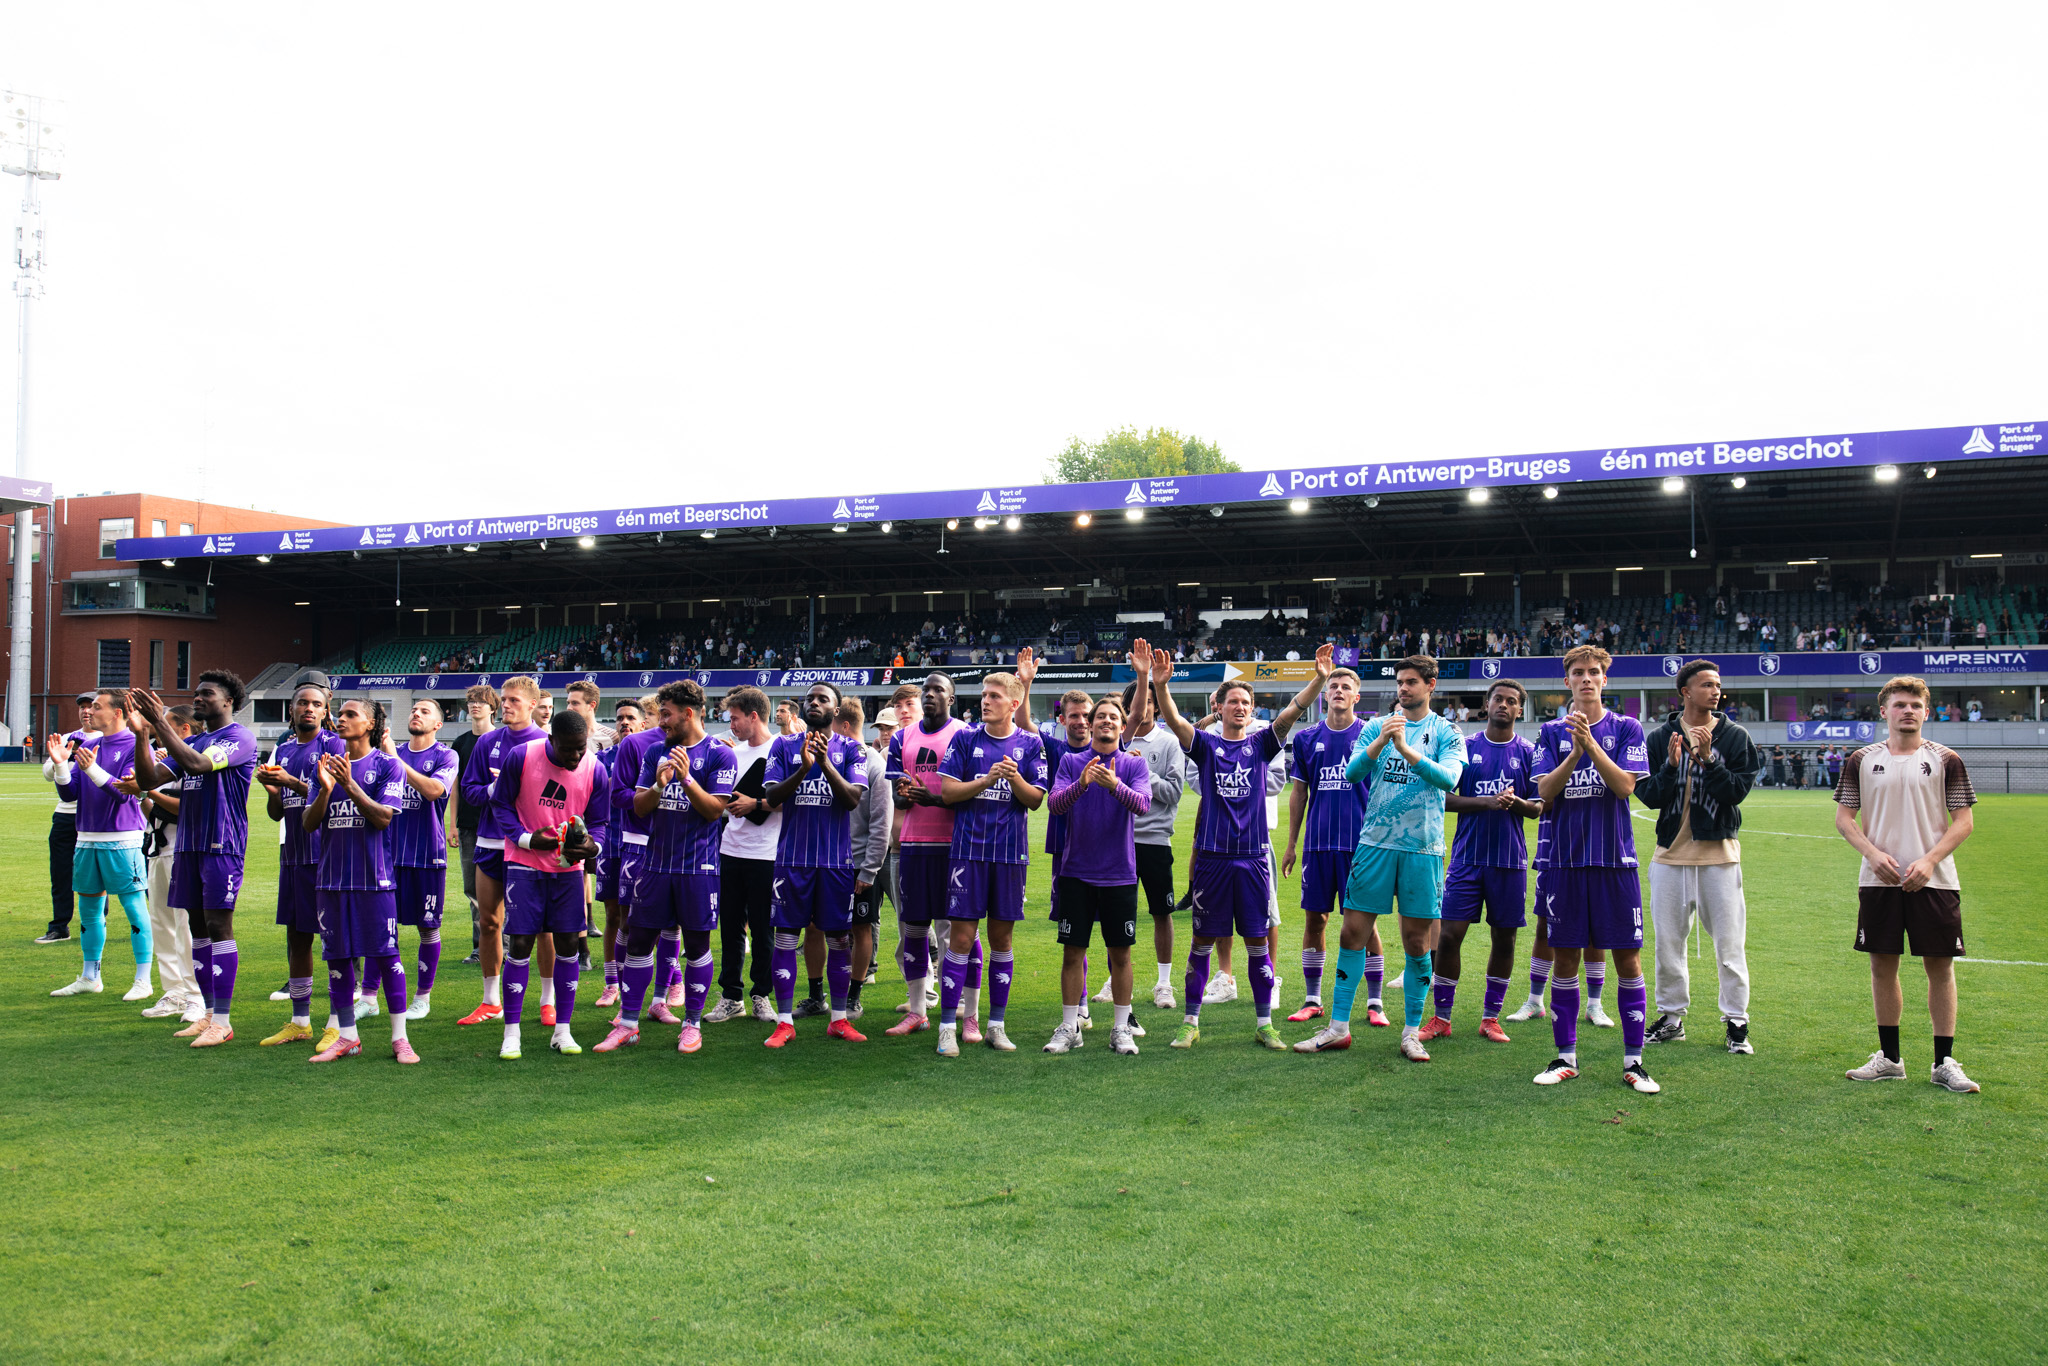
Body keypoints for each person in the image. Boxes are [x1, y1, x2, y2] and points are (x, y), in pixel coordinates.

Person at [1154, 645, 1332, 1050]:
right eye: (1232, 701)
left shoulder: (1261, 746)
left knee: (1257, 943)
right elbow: (1175, 722)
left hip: (1253, 860)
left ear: (1252, 711)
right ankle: (1190, 1022)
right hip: (1214, 860)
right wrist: (1161, 687)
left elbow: (1291, 713)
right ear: (1219, 707)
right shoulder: (1205, 746)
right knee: (1201, 942)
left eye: (1246, 702)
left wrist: (1319, 679)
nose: (1239, 707)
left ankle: (1265, 1024)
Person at [1294, 654, 1465, 1061]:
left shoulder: (1446, 731)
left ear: (1430, 685)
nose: (1403, 689)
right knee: (1351, 932)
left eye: (1411, 682)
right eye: (1400, 682)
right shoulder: (1376, 725)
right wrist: (1380, 741)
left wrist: (1405, 749)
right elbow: (1352, 774)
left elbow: (1449, 779)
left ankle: (1410, 1032)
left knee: (1417, 941)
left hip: (1422, 848)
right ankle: (1337, 1027)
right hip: (1373, 845)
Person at [1525, 646, 1659, 1093]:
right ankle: (1565, 1057)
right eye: (1578, 673)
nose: (1586, 679)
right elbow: (1544, 791)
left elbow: (1624, 787)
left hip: (1614, 863)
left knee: (1628, 958)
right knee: (1565, 957)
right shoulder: (1548, 732)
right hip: (1564, 863)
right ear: (1567, 681)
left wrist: (1592, 745)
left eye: (1594, 672)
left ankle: (1634, 1062)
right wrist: (1573, 752)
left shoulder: (1626, 727)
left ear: (1605, 680)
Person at [1836, 676, 1980, 1092]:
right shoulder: (1862, 759)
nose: (1908, 711)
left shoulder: (1945, 758)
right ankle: (1890, 1059)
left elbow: (1964, 823)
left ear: (1926, 711)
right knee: (1882, 966)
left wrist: (1930, 860)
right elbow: (1844, 819)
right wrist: (1872, 854)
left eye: (1915, 705)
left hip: (1934, 882)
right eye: (1899, 705)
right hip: (1879, 881)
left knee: (1940, 966)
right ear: (1884, 711)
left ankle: (1944, 1063)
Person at [599, 680, 735, 1055]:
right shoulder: (656, 752)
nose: (661, 721)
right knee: (639, 940)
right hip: (654, 866)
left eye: (667, 713)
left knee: (696, 946)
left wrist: (687, 778)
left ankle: (692, 1024)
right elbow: (639, 806)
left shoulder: (720, 755)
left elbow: (713, 811)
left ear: (687, 713)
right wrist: (659, 787)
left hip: (698, 870)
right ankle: (628, 1024)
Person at [128, 671, 257, 1049]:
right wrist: (143, 735)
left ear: (229, 700)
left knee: (219, 926)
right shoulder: (196, 739)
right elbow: (148, 777)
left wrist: (159, 724)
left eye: (207, 693)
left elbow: (199, 765)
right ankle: (207, 1014)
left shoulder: (239, 738)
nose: (198, 698)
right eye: (196, 693)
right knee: (197, 929)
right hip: (188, 844)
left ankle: (223, 1021)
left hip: (221, 842)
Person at [1638, 661, 1761, 1053]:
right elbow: (1649, 795)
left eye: (1718, 685)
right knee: (1668, 944)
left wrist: (1708, 760)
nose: (1715, 691)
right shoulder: (1659, 738)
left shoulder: (1736, 736)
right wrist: (1673, 767)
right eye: (1707, 684)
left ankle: (1737, 1020)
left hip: (1719, 857)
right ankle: (1672, 1017)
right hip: (1670, 856)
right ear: (1685, 692)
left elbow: (1735, 794)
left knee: (1730, 945)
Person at [932, 670, 1048, 1056]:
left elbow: (1034, 799)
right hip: (968, 853)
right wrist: (984, 781)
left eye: (995, 696)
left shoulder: (1030, 744)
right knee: (961, 940)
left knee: (1002, 940)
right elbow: (948, 793)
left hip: (1010, 856)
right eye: (984, 694)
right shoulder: (965, 739)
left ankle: (996, 1024)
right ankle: (948, 1026)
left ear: (1013, 704)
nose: (985, 701)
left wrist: (1012, 778)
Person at [1044, 675, 1155, 1056]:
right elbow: (1054, 805)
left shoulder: (1132, 765)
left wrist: (1113, 786)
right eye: (1100, 717)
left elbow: (1142, 805)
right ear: (1089, 724)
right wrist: (1082, 784)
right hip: (1075, 872)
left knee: (1121, 953)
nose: (1106, 722)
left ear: (1123, 727)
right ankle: (1069, 1026)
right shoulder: (1071, 762)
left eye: (1113, 718)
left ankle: (1120, 1028)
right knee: (1073, 951)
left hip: (1119, 874)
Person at [490, 708, 610, 1058]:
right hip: (524, 865)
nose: (576, 756)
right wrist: (527, 839)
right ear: (551, 739)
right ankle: (511, 1033)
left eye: (581, 747)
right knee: (522, 942)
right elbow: (501, 805)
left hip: (568, 871)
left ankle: (563, 1031)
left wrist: (593, 846)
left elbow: (600, 821)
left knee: (569, 944)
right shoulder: (522, 757)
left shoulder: (595, 769)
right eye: (569, 748)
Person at [1429, 678, 1541, 1044]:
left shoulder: (1528, 751)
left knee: (1505, 939)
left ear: (1520, 710)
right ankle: (1441, 1018)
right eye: (1498, 699)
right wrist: (1489, 802)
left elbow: (1539, 807)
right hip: (1467, 859)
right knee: (1448, 936)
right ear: (1487, 704)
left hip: (1509, 861)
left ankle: (1491, 1018)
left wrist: (1517, 803)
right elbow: (1442, 798)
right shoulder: (1466, 747)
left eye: (1512, 701)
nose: (1504, 706)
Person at [303, 699, 414, 1063]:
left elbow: (383, 818)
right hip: (331, 882)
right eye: (343, 714)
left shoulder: (388, 766)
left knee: (386, 959)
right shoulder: (326, 765)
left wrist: (349, 786)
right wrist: (324, 789)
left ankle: (400, 1039)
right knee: (337, 959)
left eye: (351, 715)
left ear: (370, 724)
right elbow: (308, 823)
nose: (342, 720)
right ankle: (347, 1035)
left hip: (374, 880)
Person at [759, 682, 870, 1047]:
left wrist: (823, 764)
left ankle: (838, 1019)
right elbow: (772, 796)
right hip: (792, 861)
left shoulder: (851, 749)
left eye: (823, 699)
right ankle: (785, 1021)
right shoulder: (784, 746)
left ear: (836, 711)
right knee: (787, 938)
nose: (815, 703)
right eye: (810, 699)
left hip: (835, 863)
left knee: (840, 938)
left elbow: (853, 800)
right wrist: (803, 768)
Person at [1278, 666, 1377, 1025]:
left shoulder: (1372, 735)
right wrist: (1291, 844)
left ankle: (1375, 1002)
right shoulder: (1306, 738)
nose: (1337, 690)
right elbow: (1299, 793)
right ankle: (1312, 998)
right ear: (1325, 694)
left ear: (1356, 697)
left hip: (1361, 846)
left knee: (1365, 923)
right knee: (1315, 920)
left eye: (1345, 686)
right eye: (1332, 685)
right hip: (1317, 846)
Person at [43, 690, 154, 1002]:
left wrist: (90, 768)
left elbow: (125, 793)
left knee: (134, 907)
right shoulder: (88, 745)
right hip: (86, 839)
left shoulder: (136, 746)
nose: (89, 711)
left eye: (97, 706)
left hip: (122, 840)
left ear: (117, 713)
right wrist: (62, 766)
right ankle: (90, 976)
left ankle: (143, 980)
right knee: (89, 910)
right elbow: (70, 795)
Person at [254, 683, 348, 1047]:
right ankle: (300, 1021)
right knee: (297, 939)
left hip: (325, 856)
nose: (309, 708)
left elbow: (337, 795)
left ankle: (339, 1022)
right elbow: (277, 812)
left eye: (316, 704)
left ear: (326, 712)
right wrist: (273, 790)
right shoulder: (284, 748)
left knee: (334, 941)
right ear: (290, 710)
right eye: (302, 703)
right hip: (293, 855)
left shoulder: (333, 745)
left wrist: (290, 781)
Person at [456, 676, 548, 1028]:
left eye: (512, 700)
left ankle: (547, 1000)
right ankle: (491, 1000)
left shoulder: (545, 743)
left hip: (528, 846)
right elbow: (471, 793)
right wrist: (497, 786)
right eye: (504, 700)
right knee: (489, 922)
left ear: (531, 706)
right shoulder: (487, 743)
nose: (505, 705)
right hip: (490, 843)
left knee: (541, 926)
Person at [882, 673, 969, 1034]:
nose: (930, 695)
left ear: (951, 699)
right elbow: (897, 795)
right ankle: (917, 1009)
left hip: (954, 846)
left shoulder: (964, 734)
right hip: (915, 845)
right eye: (927, 690)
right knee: (914, 929)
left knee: (957, 929)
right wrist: (906, 793)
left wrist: (935, 798)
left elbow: (970, 791)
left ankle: (961, 1002)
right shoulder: (902, 737)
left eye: (938, 691)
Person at [710, 687, 781, 1025]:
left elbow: (791, 800)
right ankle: (730, 996)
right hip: (731, 849)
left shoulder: (780, 750)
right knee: (731, 926)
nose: (731, 725)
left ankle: (761, 995)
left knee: (764, 929)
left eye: (735, 718)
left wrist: (757, 804)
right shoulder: (731, 754)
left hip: (767, 853)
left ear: (754, 716)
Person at [388, 699, 459, 1021]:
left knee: (427, 928)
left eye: (425, 711)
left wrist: (392, 759)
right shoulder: (392, 751)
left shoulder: (446, 755)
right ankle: (371, 995)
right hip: (387, 857)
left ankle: (422, 997)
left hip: (426, 855)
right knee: (381, 928)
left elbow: (433, 790)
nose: (416, 713)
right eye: (414, 709)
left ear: (438, 725)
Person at [1119, 673, 1184, 1014]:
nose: (1138, 710)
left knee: (1162, 912)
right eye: (1131, 705)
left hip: (1156, 840)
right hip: (1120, 841)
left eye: (1144, 703)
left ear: (1155, 706)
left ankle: (1164, 983)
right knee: (1118, 912)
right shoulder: (1116, 741)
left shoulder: (1169, 744)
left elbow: (1174, 794)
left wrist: (1142, 769)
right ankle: (1115, 977)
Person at [136, 705, 204, 1022]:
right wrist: (140, 795)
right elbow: (154, 812)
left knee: (184, 925)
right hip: (157, 847)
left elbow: (184, 809)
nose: (159, 732)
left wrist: (147, 789)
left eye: (164, 726)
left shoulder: (196, 762)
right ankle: (173, 991)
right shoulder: (166, 763)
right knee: (161, 924)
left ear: (184, 729)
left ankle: (195, 994)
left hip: (183, 849)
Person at [837, 698, 891, 1021]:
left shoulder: (874, 765)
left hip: (858, 866)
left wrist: (869, 870)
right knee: (827, 929)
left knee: (860, 928)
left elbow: (881, 823)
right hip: (830, 863)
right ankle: (825, 990)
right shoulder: (830, 759)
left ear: (844, 726)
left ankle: (854, 995)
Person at [592, 698, 647, 1008]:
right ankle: (612, 982)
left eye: (630, 718)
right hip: (611, 846)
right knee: (614, 915)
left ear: (642, 724)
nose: (624, 723)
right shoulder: (603, 759)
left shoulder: (651, 755)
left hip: (641, 845)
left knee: (653, 917)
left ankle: (672, 981)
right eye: (620, 718)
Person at [34, 692, 100, 947]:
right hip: (65, 814)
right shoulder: (67, 737)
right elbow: (48, 774)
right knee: (60, 872)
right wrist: (62, 758)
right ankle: (59, 926)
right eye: (82, 707)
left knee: (96, 873)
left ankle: (95, 923)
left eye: (91, 707)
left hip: (94, 817)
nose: (86, 711)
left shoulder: (109, 738)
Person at [449, 684, 498, 965]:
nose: (474, 705)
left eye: (480, 701)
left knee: (500, 888)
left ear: (493, 707)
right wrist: (453, 824)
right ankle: (480, 947)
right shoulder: (461, 742)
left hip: (497, 826)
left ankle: (505, 945)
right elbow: (455, 786)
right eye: (471, 701)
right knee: (472, 889)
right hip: (468, 825)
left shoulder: (502, 739)